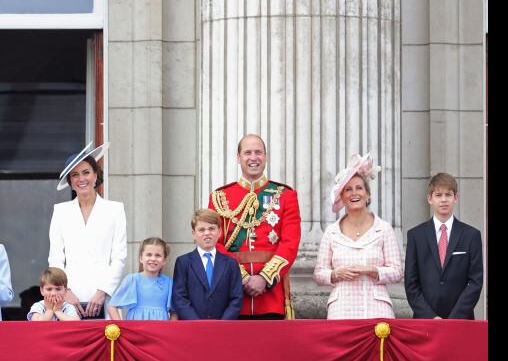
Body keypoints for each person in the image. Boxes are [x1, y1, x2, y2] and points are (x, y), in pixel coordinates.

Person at [208, 134, 301, 319]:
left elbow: (290, 244)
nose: (253, 157)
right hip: (233, 294)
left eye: (258, 152)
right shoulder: (220, 198)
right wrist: (241, 278)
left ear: (265, 157)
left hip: (271, 296)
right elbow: (213, 244)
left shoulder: (285, 195)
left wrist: (264, 279)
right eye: (247, 152)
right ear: (238, 157)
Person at [312, 154, 403, 319]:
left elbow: (397, 272)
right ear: (343, 198)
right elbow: (318, 274)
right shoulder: (332, 232)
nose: (354, 193)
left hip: (377, 309)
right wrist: (337, 273)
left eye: (359, 188)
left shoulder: (384, 229)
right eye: (348, 189)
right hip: (341, 310)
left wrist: (372, 270)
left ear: (367, 194)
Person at [47, 142, 128, 319]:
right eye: (75, 175)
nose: (81, 179)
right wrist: (64, 291)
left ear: (95, 175)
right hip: (69, 297)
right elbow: (55, 258)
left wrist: (103, 292)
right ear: (70, 181)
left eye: (86, 172)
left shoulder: (115, 209)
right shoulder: (60, 211)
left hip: (105, 296)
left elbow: (119, 257)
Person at [404, 173, 483, 319]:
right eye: (438, 195)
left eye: (448, 194)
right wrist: (430, 317)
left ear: (456, 198)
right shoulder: (416, 235)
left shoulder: (471, 235)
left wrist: (455, 317)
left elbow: (475, 282)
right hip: (425, 320)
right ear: (430, 199)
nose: (444, 200)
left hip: (461, 320)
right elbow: (411, 283)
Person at [171, 210, 244, 320]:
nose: (207, 233)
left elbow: (236, 298)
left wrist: (223, 323)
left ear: (219, 232)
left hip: (223, 327)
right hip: (192, 327)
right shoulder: (183, 262)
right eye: (201, 230)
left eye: (211, 229)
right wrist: (197, 324)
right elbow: (180, 297)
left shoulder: (231, 263)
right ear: (194, 234)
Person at [107, 237, 175, 320]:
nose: (153, 259)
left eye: (158, 255)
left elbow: (174, 312)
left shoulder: (169, 282)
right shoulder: (133, 280)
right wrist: (122, 329)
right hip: (136, 330)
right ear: (141, 258)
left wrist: (169, 330)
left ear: (164, 260)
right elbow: (112, 307)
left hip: (160, 330)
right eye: (149, 255)